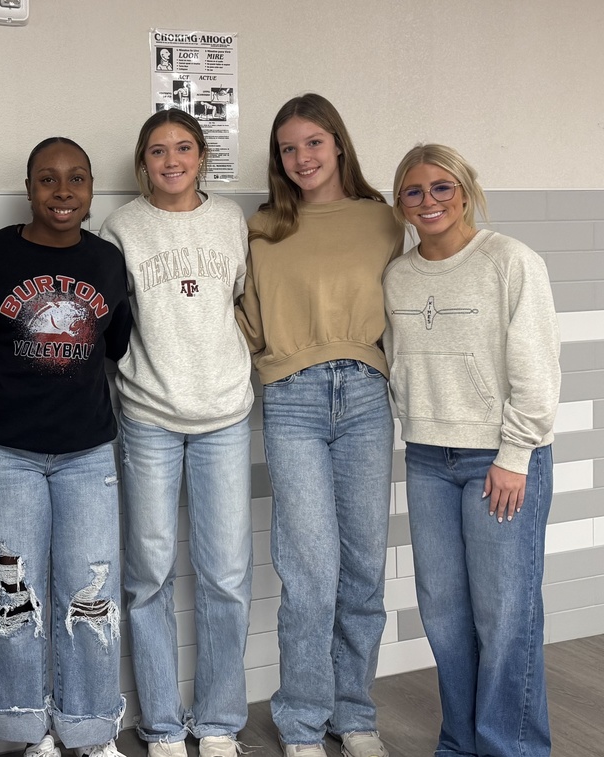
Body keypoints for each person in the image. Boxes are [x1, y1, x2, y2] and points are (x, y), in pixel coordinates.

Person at [235, 93, 403, 757]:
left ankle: (354, 714)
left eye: (312, 142)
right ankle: (302, 723)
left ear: (338, 142)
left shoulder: (386, 220)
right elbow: (244, 318)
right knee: (309, 573)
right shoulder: (261, 228)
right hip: (292, 400)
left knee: (361, 570)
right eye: (287, 147)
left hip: (366, 396)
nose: (301, 157)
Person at [383, 144, 560, 757]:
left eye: (441, 187)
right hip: (430, 458)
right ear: (400, 204)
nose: (429, 201)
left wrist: (515, 455)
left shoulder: (510, 261)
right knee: (445, 619)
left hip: (500, 462)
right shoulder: (398, 275)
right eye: (414, 191)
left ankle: (510, 748)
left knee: (506, 618)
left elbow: (537, 370)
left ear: (465, 191)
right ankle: (459, 744)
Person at [0, 137, 133, 757]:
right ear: (28, 186)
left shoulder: (108, 262)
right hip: (6, 453)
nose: (63, 192)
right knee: (16, 595)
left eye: (77, 179)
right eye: (48, 179)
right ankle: (26, 729)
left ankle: (90, 731)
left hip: (87, 454)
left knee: (90, 594)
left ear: (90, 188)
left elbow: (111, 345)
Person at [98, 107, 254, 757]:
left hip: (224, 415)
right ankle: (161, 722)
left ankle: (218, 720)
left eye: (183, 148)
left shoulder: (230, 221)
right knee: (149, 573)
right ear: (142, 163)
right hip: (148, 415)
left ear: (201, 157)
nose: (171, 160)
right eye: (157, 151)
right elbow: (113, 321)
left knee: (225, 574)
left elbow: (240, 298)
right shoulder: (121, 226)